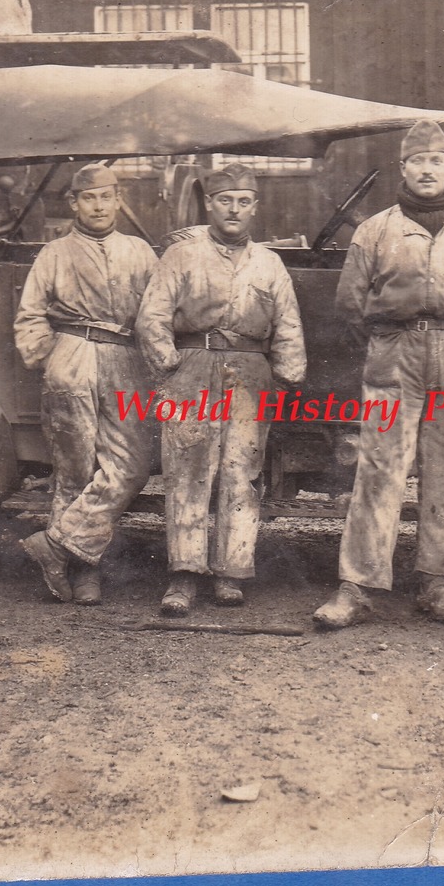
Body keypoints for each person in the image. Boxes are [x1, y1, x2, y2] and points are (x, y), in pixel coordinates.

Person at [312, 120, 444, 630]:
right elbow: (350, 303)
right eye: (417, 161)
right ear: (404, 168)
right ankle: (357, 585)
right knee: (379, 469)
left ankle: (436, 583)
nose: (427, 170)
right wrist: (390, 341)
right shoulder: (376, 229)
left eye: (436, 161)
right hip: (394, 353)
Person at [136, 164, 306, 616]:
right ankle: (184, 574)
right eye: (225, 200)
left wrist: (288, 375)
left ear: (255, 207)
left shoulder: (269, 263)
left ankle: (231, 573)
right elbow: (152, 316)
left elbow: (287, 324)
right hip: (192, 367)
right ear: (210, 205)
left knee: (241, 474)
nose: (234, 209)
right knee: (187, 472)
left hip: (250, 372)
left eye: (243, 201)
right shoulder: (182, 256)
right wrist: (170, 366)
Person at [14, 163, 157, 606]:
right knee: (74, 468)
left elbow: (158, 312)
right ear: (74, 203)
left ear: (118, 200)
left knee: (131, 465)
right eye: (89, 198)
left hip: (127, 359)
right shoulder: (54, 254)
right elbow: (30, 316)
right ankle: (82, 574)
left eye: (106, 196)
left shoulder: (140, 252)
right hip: (73, 354)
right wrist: (49, 356)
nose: (99, 205)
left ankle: (54, 543)